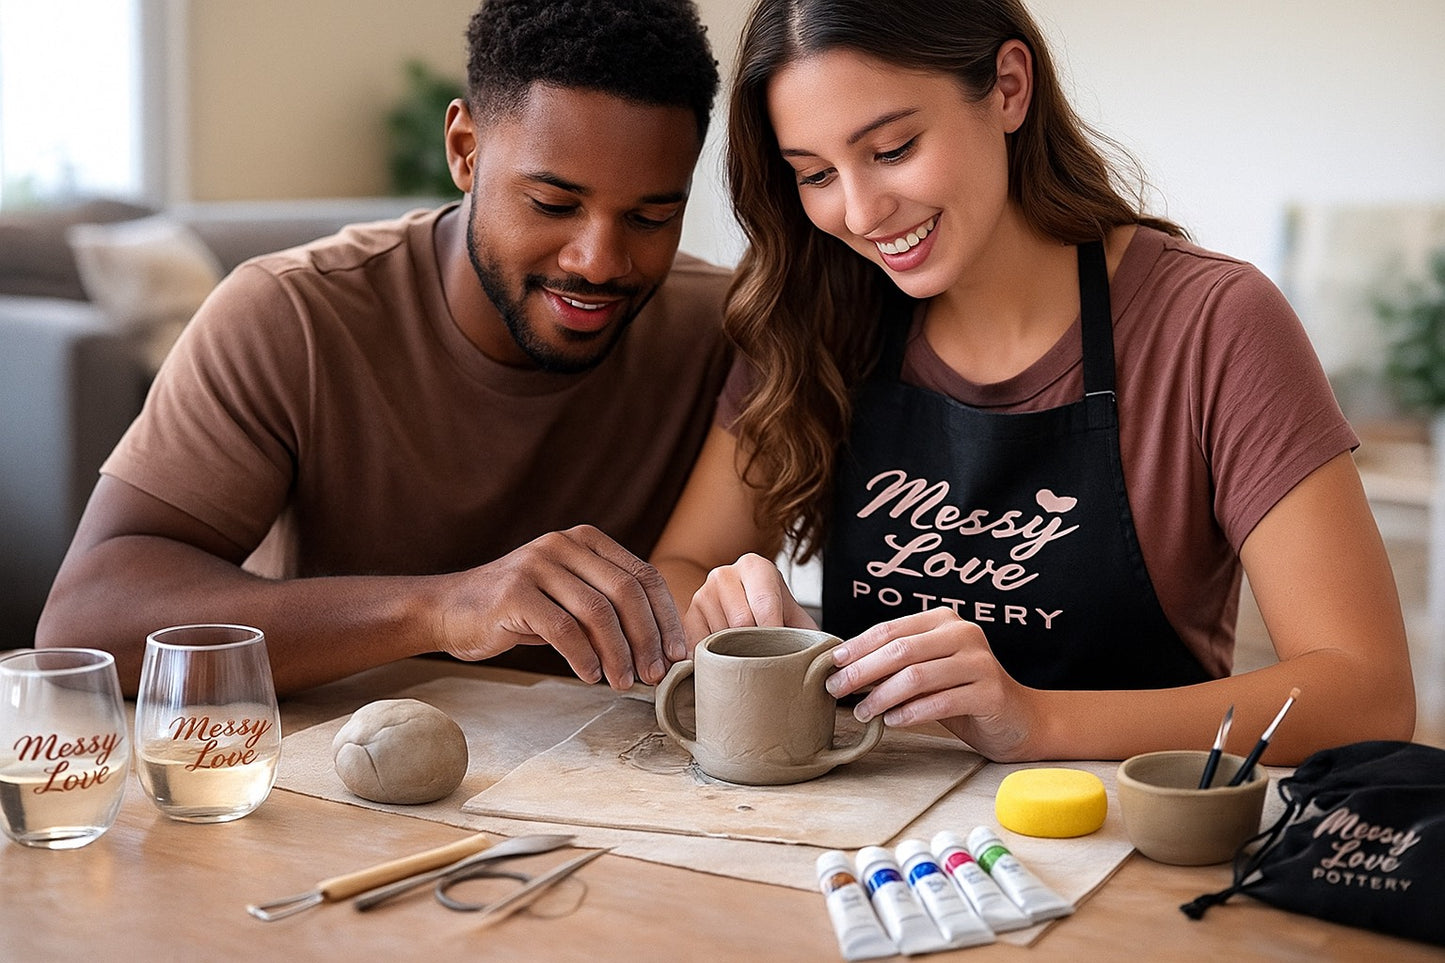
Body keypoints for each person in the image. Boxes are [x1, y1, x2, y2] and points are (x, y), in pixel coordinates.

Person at [650, 0, 1417, 764]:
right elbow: (682, 567)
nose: (859, 212)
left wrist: (1036, 721)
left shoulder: (1213, 322)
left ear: (1010, 87)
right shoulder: (812, 313)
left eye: (891, 148)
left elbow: (1365, 693)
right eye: (814, 174)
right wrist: (727, 608)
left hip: (1120, 838)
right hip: (863, 830)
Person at [37, 0, 729, 696]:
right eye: (552, 204)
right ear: (463, 149)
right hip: (333, 779)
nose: (598, 261)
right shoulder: (292, 316)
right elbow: (85, 622)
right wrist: (442, 607)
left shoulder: (729, 331)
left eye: (650, 217)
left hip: (610, 777)